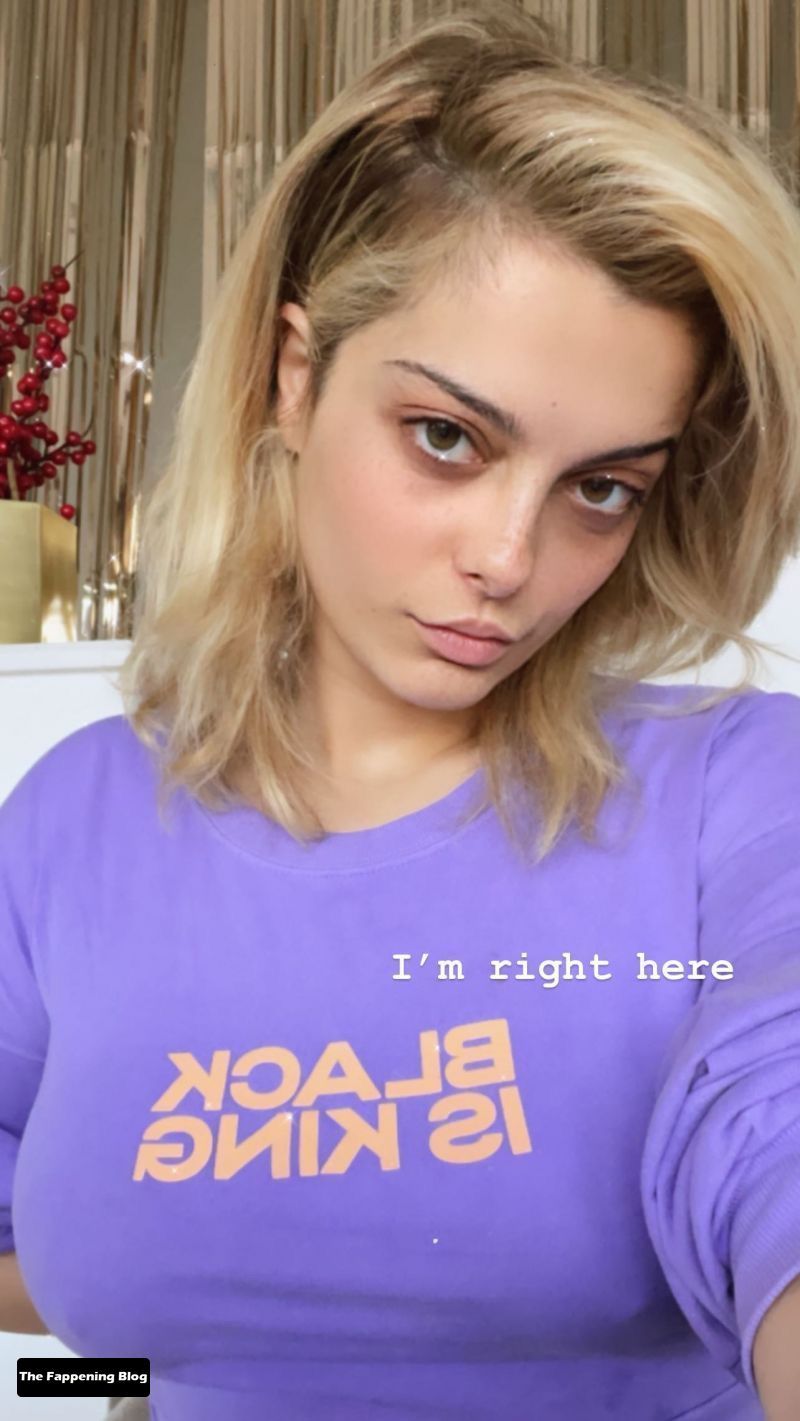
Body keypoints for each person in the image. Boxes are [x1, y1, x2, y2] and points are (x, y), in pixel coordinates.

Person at [2, 4, 800, 1418]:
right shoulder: (75, 818)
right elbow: (59, 1297)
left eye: (601, 486)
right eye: (448, 437)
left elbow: (775, 1116)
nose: (510, 558)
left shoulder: (737, 787)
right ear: (296, 377)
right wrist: (132, 1385)